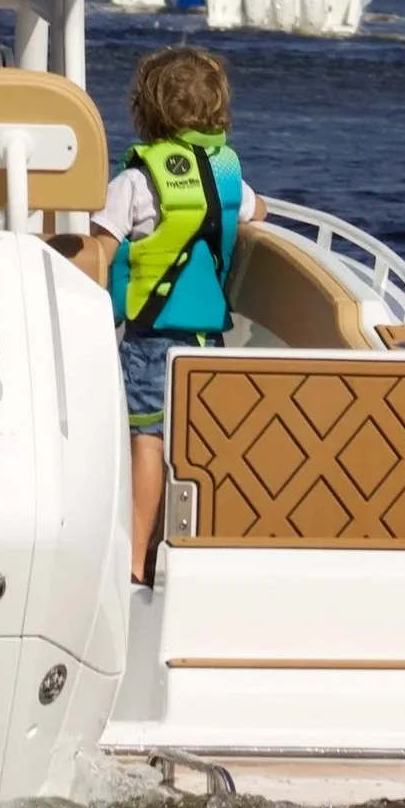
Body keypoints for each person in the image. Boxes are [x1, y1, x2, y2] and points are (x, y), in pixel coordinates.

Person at [85, 46, 263, 587]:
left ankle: (137, 561)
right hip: (208, 341)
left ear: (145, 110)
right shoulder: (228, 176)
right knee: (196, 446)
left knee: (148, 444)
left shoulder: (135, 183)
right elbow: (259, 210)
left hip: (148, 342)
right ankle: (187, 549)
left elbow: (100, 249)